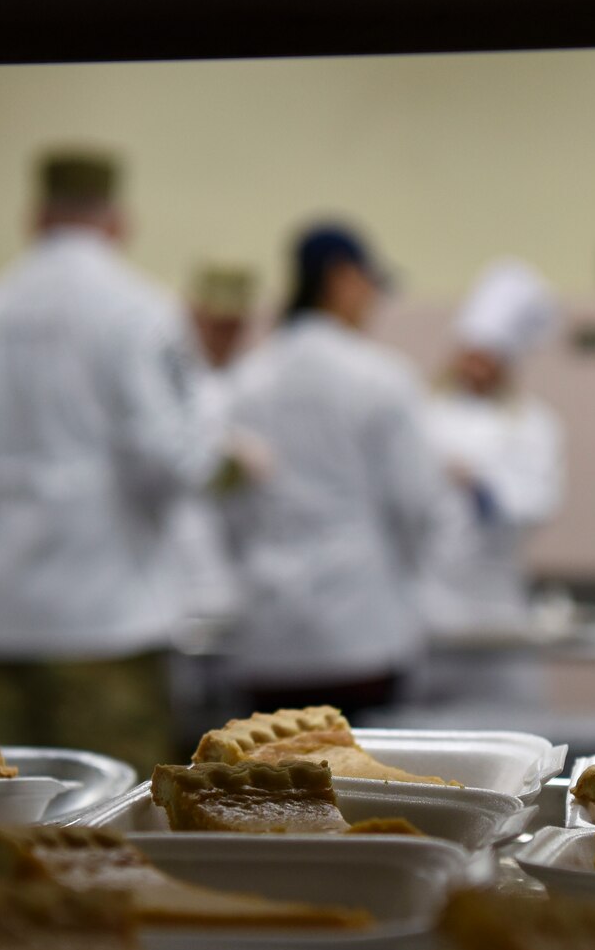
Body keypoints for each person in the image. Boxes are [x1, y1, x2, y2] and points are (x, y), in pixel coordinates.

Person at [0, 149, 221, 771]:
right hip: (110, 630)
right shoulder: (139, 311)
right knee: (110, 835)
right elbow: (170, 462)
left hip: (1, 628)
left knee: (12, 828)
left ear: (34, 219)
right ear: (119, 223)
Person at [220, 222, 447, 714]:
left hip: (270, 638)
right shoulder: (382, 377)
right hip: (360, 634)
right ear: (341, 279)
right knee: (365, 785)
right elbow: (418, 504)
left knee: (271, 784)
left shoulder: (245, 382)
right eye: (370, 286)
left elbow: (230, 510)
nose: (373, 302)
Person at [417, 258, 566, 704]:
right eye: (470, 354)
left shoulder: (534, 424)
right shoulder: (423, 413)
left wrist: (481, 487)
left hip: (497, 601)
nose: (475, 366)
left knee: (507, 723)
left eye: (487, 358)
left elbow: (541, 499)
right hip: (429, 600)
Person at [164, 264, 259, 626]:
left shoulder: (254, 382)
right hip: (178, 577)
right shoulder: (167, 384)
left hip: (240, 577)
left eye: (236, 324)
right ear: (193, 316)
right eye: (217, 322)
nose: (227, 334)